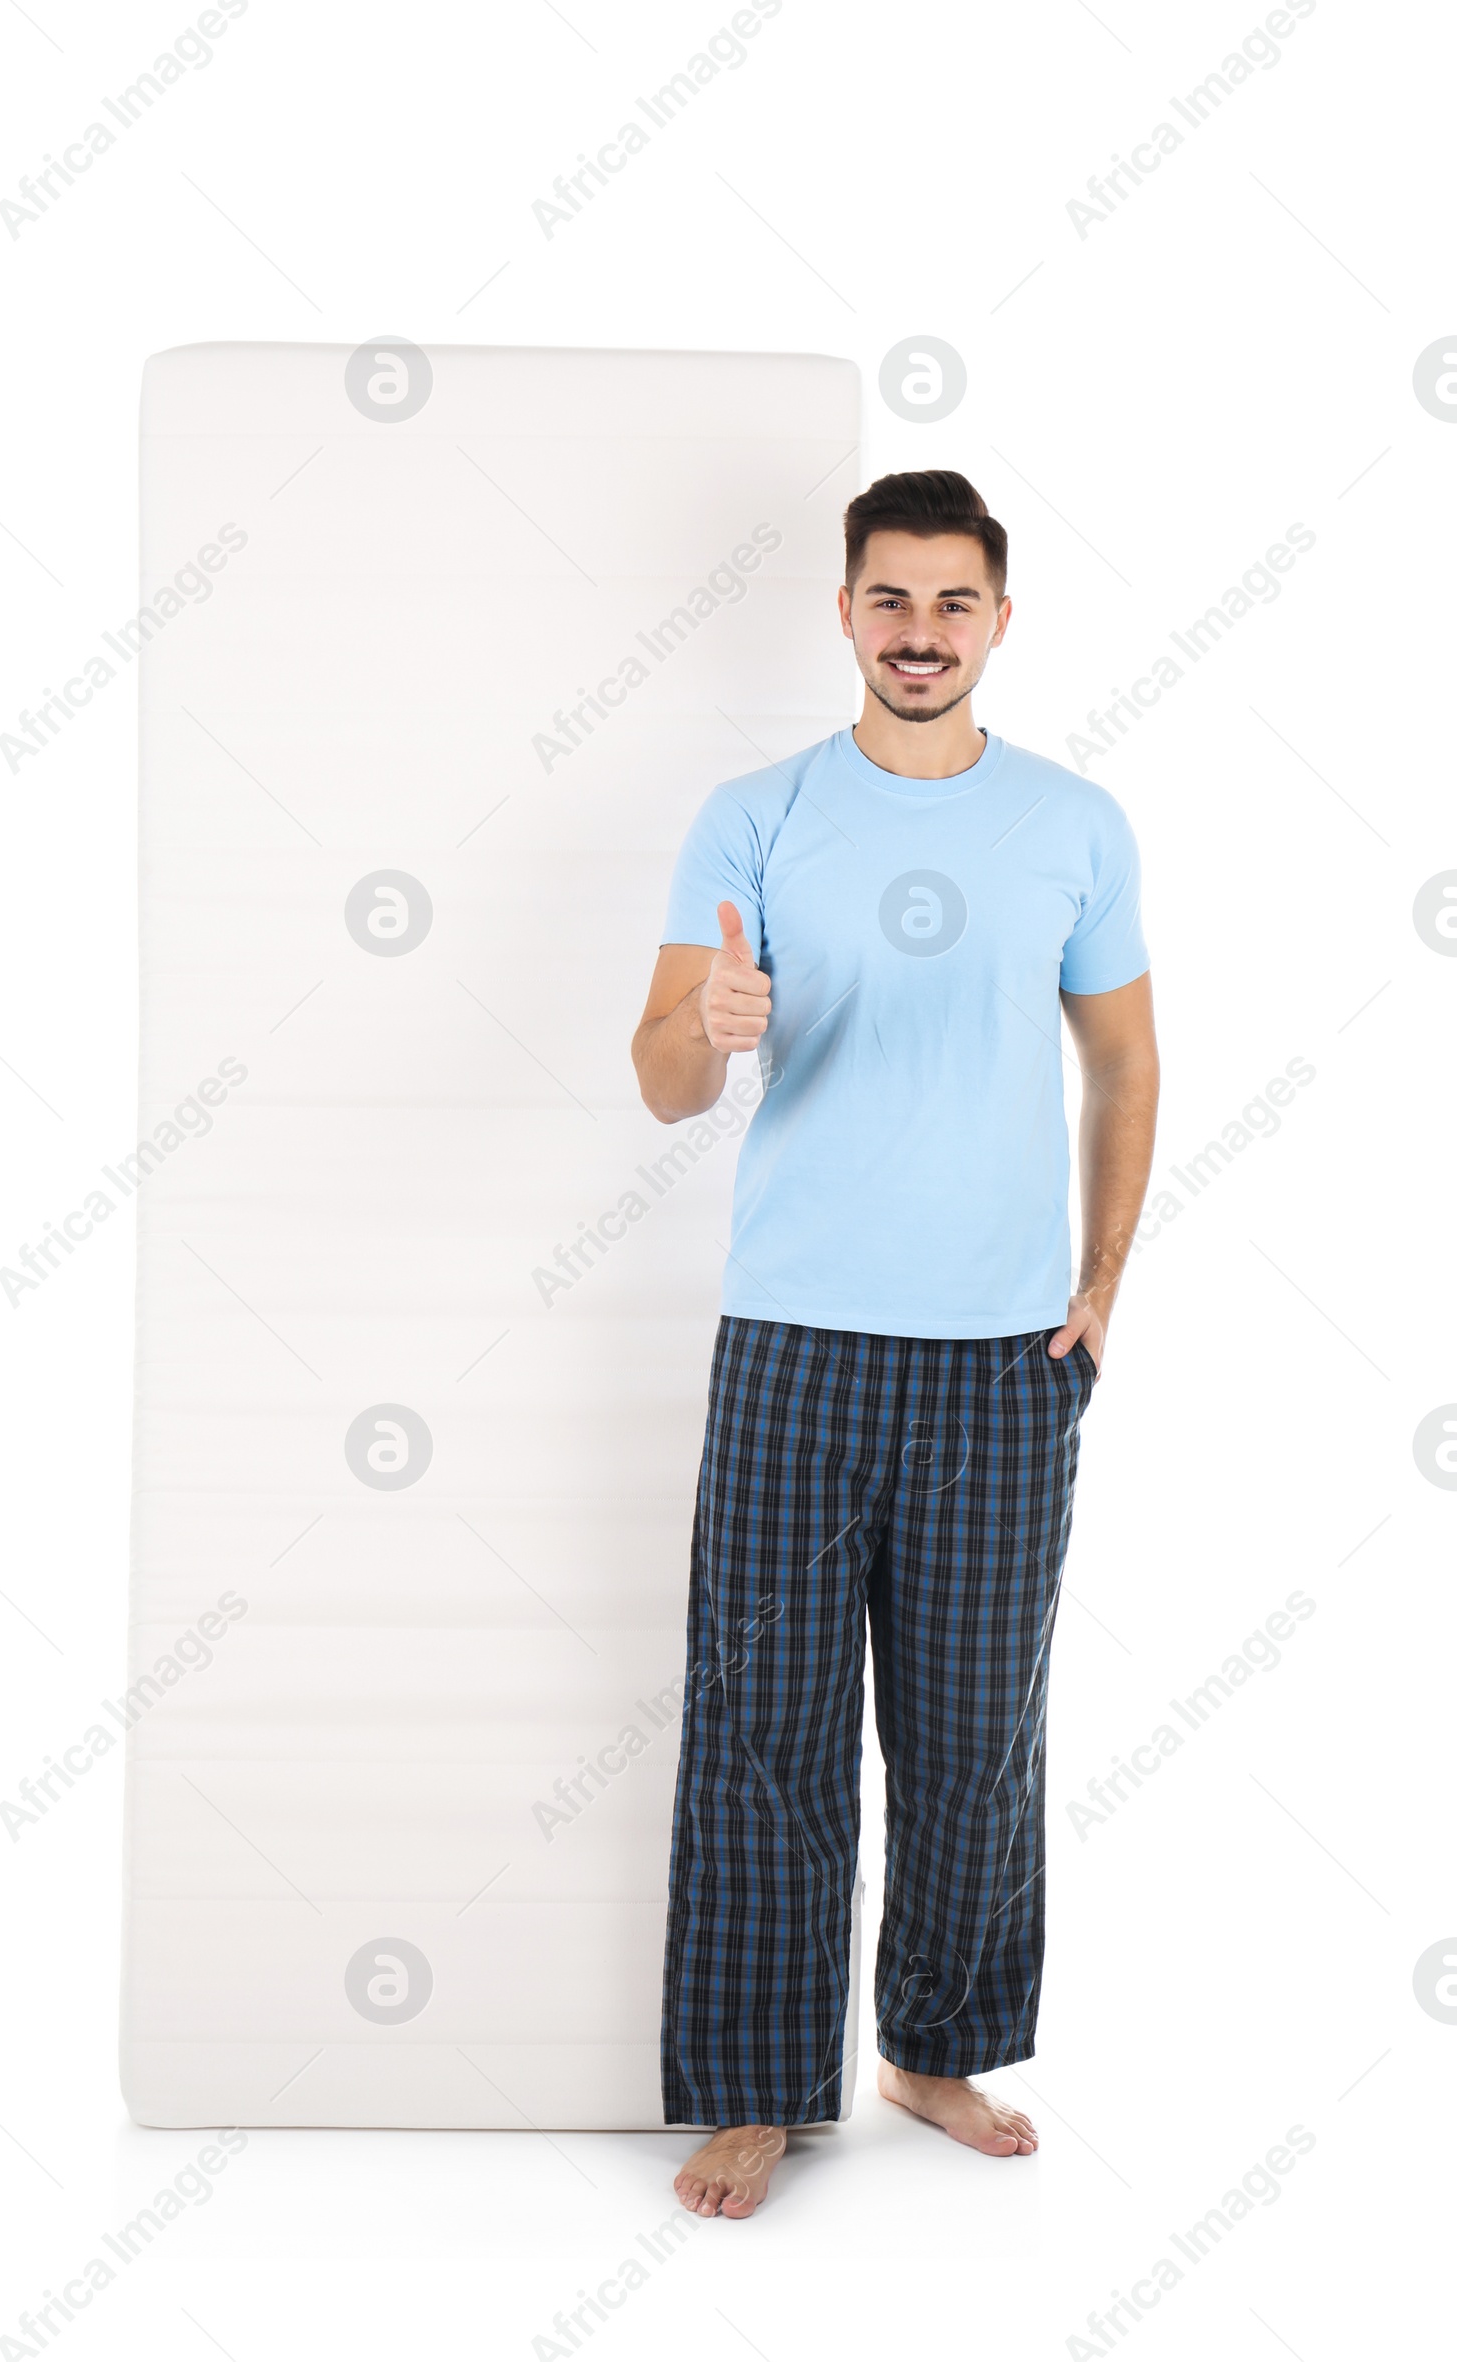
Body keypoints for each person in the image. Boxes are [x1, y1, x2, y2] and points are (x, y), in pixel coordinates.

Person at [629, 469, 1159, 2218]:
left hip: (1006, 1354)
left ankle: (932, 2048)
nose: (919, 633)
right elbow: (659, 1076)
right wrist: (708, 1026)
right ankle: (760, 2084)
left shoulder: (1076, 823)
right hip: (793, 1339)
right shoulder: (755, 817)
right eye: (889, 600)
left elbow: (1124, 1060)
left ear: (999, 620)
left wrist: (1101, 1273)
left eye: (953, 604)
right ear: (845, 613)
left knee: (972, 1728)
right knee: (765, 1722)